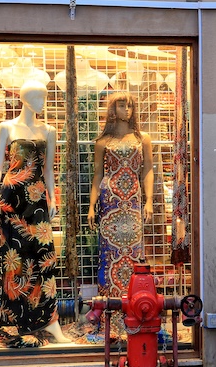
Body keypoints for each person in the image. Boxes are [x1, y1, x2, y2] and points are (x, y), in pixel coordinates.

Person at [0, 79, 70, 344]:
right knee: (17, 262)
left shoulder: (49, 130)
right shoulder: (7, 127)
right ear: (24, 99)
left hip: (37, 201)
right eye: (38, 97)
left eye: (44, 98)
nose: (43, 103)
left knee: (44, 258)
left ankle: (51, 322)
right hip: (12, 200)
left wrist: (53, 197)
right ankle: (18, 322)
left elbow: (48, 170)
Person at [87, 92, 155, 298]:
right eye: (122, 105)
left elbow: (148, 169)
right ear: (113, 109)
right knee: (109, 253)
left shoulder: (142, 139)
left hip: (133, 199)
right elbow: (98, 175)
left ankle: (134, 300)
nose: (127, 110)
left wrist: (149, 200)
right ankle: (110, 303)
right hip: (110, 202)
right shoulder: (103, 142)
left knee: (133, 251)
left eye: (130, 106)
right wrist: (92, 206)